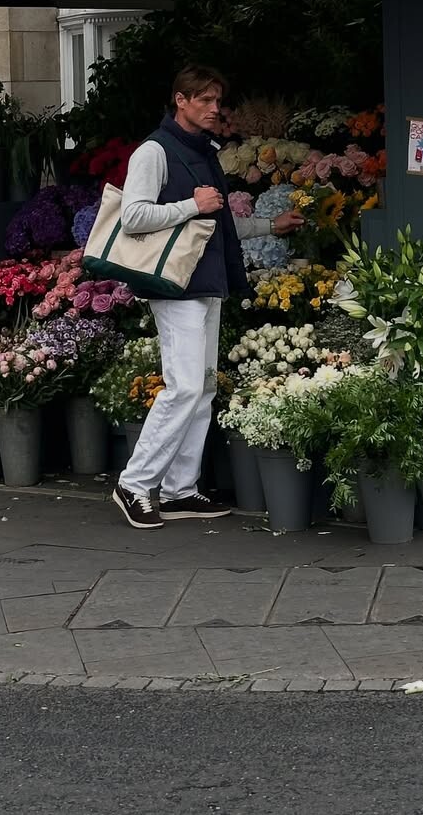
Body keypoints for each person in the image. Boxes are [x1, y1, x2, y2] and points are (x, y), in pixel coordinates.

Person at [111, 65, 305, 529]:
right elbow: (132, 216)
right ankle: (134, 484)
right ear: (180, 100)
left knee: (202, 387)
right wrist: (190, 205)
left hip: (204, 279)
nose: (215, 108)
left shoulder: (202, 151)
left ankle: (180, 490)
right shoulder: (154, 151)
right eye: (204, 99)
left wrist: (268, 225)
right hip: (175, 283)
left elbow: (215, 222)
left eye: (218, 100)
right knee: (184, 386)